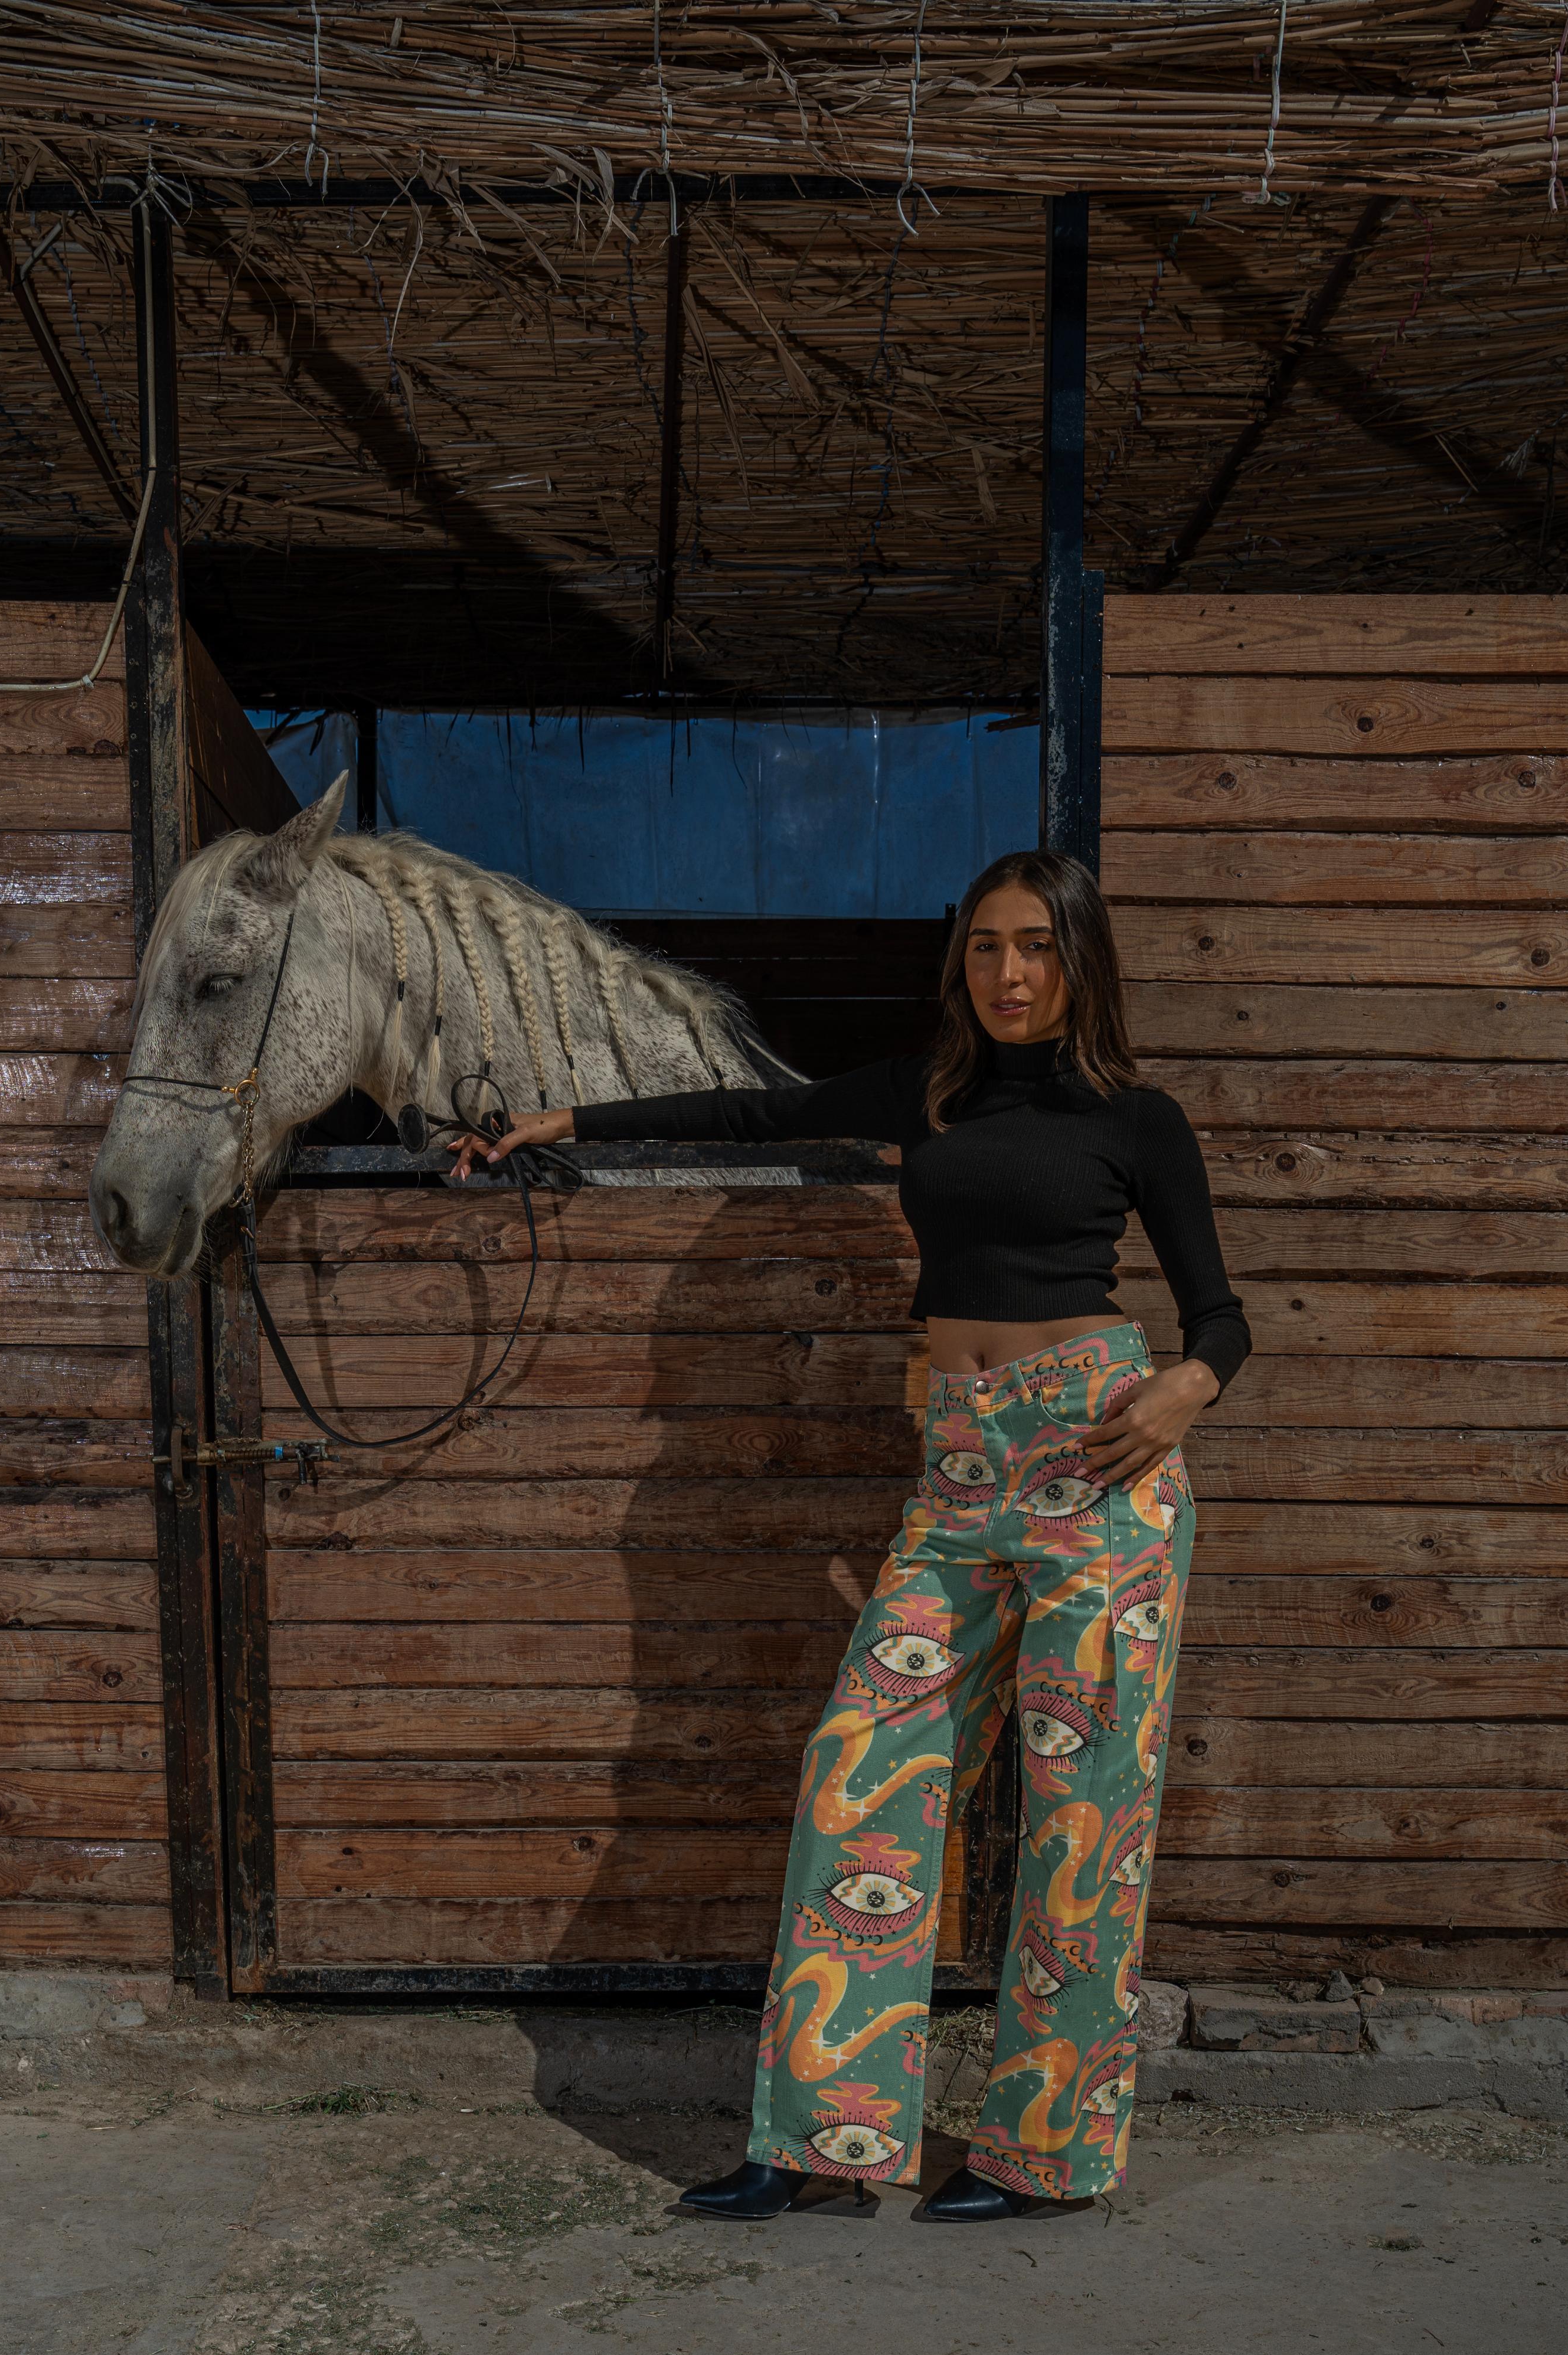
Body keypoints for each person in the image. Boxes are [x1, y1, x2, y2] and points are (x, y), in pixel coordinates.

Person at [450, 851, 1249, 2223]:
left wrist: (1187, 1385)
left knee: (1081, 1824)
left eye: (1035, 946)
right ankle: (824, 2142)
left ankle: (1043, 2154)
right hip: (956, 1482)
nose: (1007, 973)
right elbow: (749, 1107)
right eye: (985, 945)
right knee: (854, 1777)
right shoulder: (922, 1092)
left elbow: (1219, 1316)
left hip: (1099, 1479)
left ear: (1079, 961)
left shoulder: (1137, 1118)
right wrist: (559, 1118)